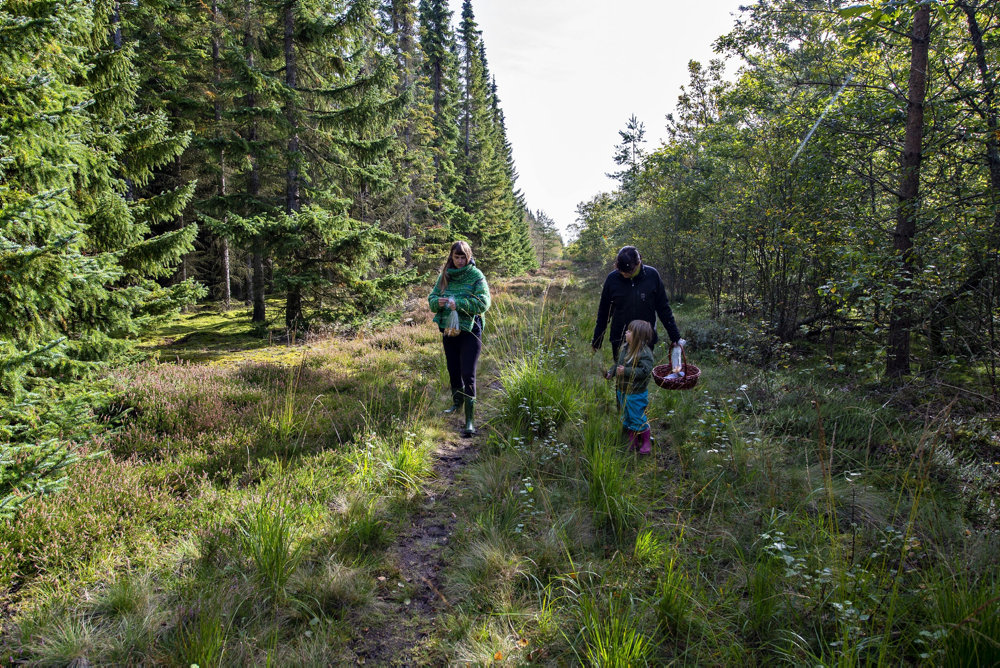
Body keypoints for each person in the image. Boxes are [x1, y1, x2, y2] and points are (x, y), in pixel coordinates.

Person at [428, 241, 491, 436]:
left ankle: (470, 419)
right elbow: (431, 299)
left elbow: (484, 303)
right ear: (451, 257)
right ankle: (457, 404)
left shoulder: (476, 276)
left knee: (467, 373)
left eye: (464, 257)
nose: (460, 261)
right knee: (453, 369)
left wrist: (460, 303)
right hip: (449, 329)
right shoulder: (444, 276)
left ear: (469, 256)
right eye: (457, 257)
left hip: (471, 330)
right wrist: (436, 302)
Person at [591, 246, 684, 363]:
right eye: (621, 271)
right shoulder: (612, 279)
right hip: (620, 337)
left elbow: (663, 308)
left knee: (642, 375)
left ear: (639, 262)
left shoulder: (652, 276)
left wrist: (674, 336)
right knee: (622, 374)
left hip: (646, 338)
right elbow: (604, 312)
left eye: (629, 271)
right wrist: (597, 341)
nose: (624, 274)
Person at [605, 320, 655, 454]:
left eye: (629, 331)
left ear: (637, 336)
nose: (626, 332)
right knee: (627, 416)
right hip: (622, 390)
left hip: (636, 392)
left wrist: (626, 371)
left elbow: (645, 372)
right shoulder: (625, 348)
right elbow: (618, 364)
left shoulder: (644, 353)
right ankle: (632, 441)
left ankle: (646, 441)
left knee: (637, 417)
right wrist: (612, 372)